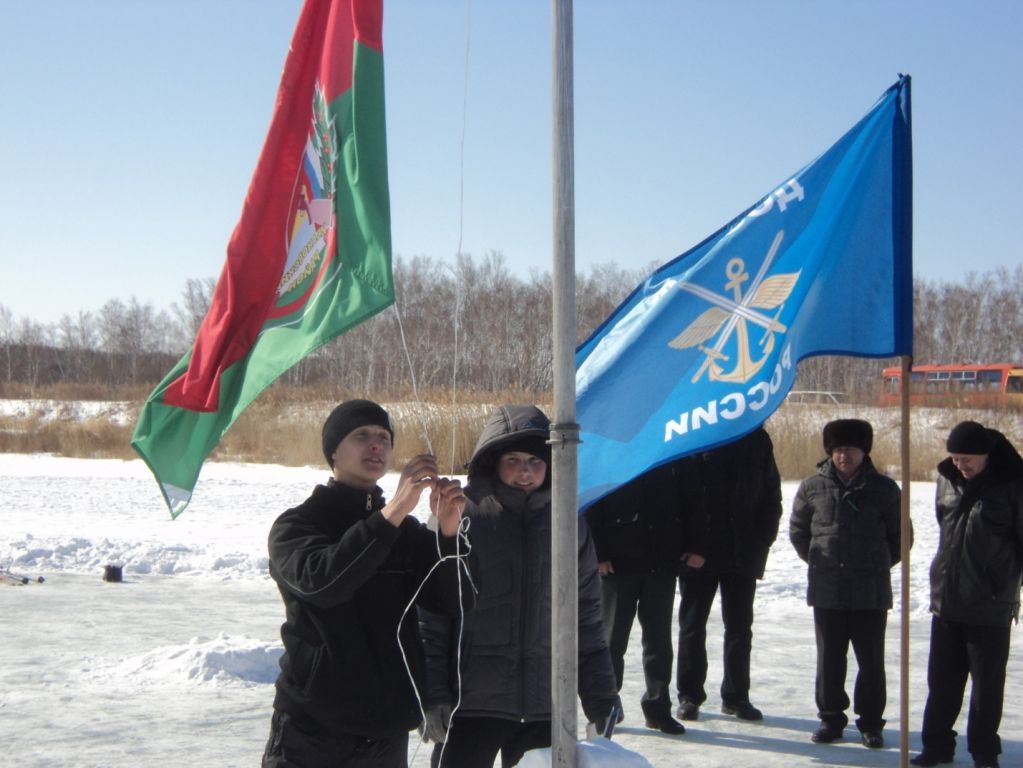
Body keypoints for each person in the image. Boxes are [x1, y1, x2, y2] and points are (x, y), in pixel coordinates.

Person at [261, 399, 471, 768]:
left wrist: (448, 534)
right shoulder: (297, 525)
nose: (376, 445)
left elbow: (455, 602)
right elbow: (325, 584)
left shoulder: (403, 532)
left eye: (384, 438)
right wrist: (392, 514)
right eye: (362, 436)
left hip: (385, 732)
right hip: (312, 729)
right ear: (334, 452)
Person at [419, 405, 620, 768]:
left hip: (547, 705)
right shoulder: (460, 513)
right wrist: (432, 694)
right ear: (492, 461)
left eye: (535, 460)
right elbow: (431, 615)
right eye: (513, 459)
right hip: (471, 703)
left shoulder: (568, 524)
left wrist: (601, 696)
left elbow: (586, 618)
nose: (525, 470)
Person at [910, 421, 1023, 768]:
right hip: (947, 601)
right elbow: (948, 532)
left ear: (986, 455)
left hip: (990, 604)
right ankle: (937, 746)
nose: (960, 465)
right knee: (941, 683)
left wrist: (1004, 585)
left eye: (967, 458)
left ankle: (984, 752)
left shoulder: (1013, 486)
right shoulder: (946, 480)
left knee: (986, 689)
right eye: (955, 458)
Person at [789, 418, 905, 749]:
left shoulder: (884, 489)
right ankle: (830, 718)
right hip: (827, 589)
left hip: (870, 591)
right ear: (830, 452)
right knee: (830, 659)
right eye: (838, 450)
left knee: (870, 660)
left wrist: (875, 564)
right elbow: (799, 532)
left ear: (863, 452)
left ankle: (871, 723)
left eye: (850, 450)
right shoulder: (812, 487)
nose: (844, 456)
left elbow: (901, 538)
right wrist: (820, 561)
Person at [584, 456, 707, 735]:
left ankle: (658, 709)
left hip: (661, 562)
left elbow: (693, 500)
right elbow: (592, 504)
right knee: (612, 641)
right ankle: (605, 709)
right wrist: (599, 553)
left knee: (658, 642)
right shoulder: (613, 454)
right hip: (617, 565)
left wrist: (696, 544)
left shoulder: (672, 451)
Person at [676, 427, 782, 723]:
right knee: (692, 626)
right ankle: (689, 695)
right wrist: (687, 545)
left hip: (742, 550)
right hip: (700, 552)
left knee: (739, 627)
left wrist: (763, 539)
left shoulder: (755, 438)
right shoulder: (697, 432)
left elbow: (772, 493)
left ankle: (736, 697)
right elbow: (680, 494)